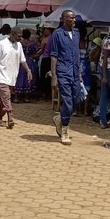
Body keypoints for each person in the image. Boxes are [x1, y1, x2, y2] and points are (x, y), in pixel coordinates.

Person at [49, 10, 83, 145]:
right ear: (64, 19)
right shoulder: (57, 34)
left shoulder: (77, 34)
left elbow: (77, 55)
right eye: (71, 18)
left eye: (74, 18)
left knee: (77, 99)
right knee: (67, 102)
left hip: (75, 72)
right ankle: (64, 131)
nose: (74, 20)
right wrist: (54, 76)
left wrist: (79, 73)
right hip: (63, 72)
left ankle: (60, 118)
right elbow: (54, 55)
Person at [0, 26, 31, 129]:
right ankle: (10, 118)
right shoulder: (2, 44)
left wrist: (28, 70)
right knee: (6, 97)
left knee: (3, 100)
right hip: (1, 77)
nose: (20, 38)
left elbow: (23, 60)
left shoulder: (19, 45)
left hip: (12, 77)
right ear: (12, 34)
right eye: (18, 36)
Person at [16, 28, 39, 101]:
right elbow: (39, 51)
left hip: (20, 62)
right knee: (28, 78)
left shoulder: (19, 43)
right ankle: (26, 97)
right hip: (29, 62)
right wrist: (32, 56)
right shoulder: (32, 43)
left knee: (19, 78)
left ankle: (16, 97)